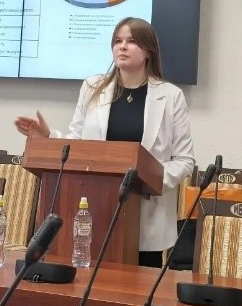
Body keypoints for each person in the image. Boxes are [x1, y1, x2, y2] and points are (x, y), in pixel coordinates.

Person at [14, 17, 196, 268]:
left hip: (145, 213)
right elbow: (78, 143)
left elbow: (184, 160)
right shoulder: (92, 87)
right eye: (117, 41)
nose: (123, 47)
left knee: (139, 286)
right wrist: (47, 137)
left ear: (148, 51)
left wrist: (150, 180)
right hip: (95, 208)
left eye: (131, 41)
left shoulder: (171, 96)